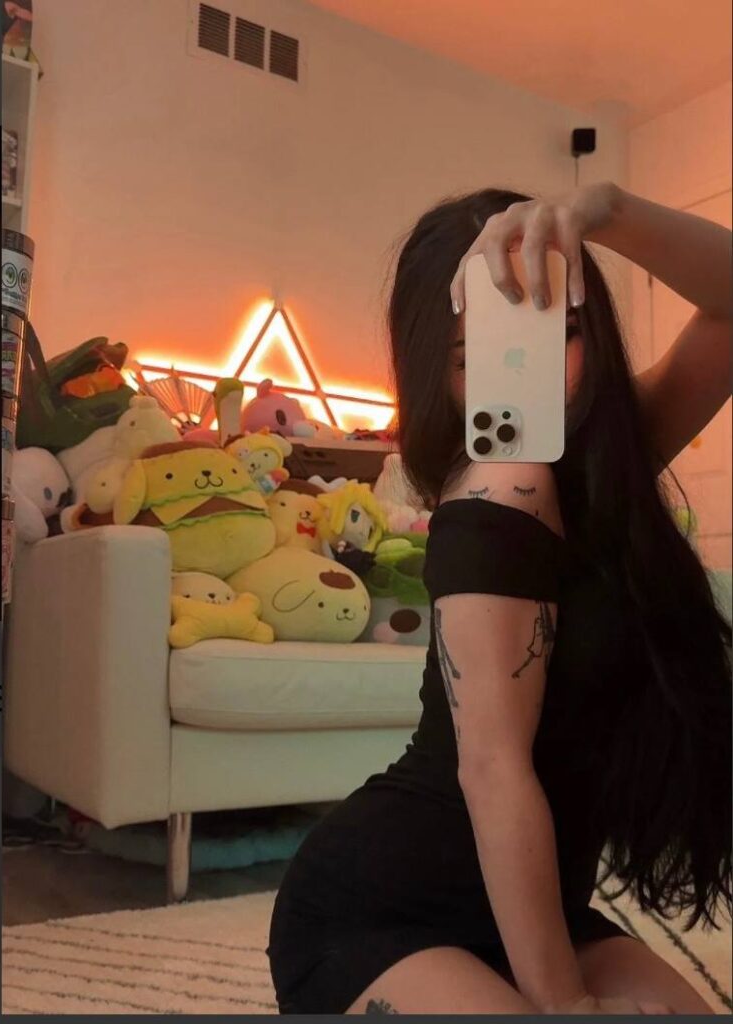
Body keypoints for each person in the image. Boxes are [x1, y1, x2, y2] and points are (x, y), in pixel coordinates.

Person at [266, 181, 732, 1015]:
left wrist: (609, 211)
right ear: (436, 373)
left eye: (561, 329)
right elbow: (491, 769)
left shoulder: (608, 464)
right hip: (382, 914)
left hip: (538, 908)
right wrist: (565, 1003)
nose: (531, 370)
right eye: (477, 352)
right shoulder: (499, 488)